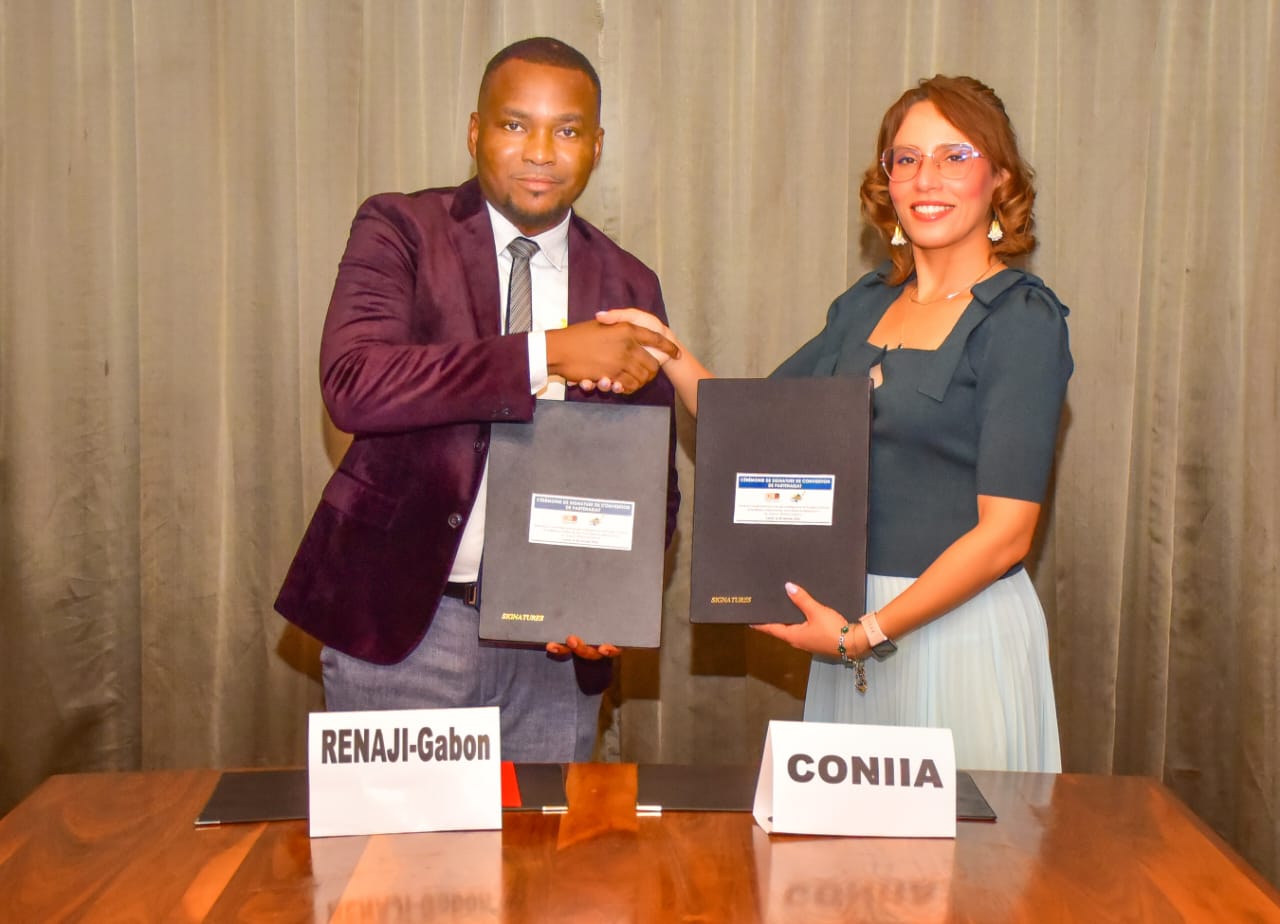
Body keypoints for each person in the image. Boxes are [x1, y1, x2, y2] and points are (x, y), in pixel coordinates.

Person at [598, 75, 1071, 772]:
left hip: (955, 633)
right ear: (888, 181)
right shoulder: (865, 305)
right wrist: (664, 349)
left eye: (955, 156)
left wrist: (866, 635)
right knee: (845, 845)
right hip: (847, 625)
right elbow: (754, 426)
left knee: (967, 844)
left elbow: (1006, 536)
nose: (927, 178)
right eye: (907, 159)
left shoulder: (1023, 320)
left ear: (999, 178)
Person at [275, 37, 681, 763]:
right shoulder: (401, 229)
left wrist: (611, 603)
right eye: (515, 124)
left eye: (567, 130)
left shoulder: (630, 282)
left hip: (553, 649)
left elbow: (650, 476)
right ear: (474, 132)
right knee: (398, 840)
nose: (540, 152)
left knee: (546, 842)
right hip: (405, 628)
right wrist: (547, 353)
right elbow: (356, 383)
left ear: (596, 146)